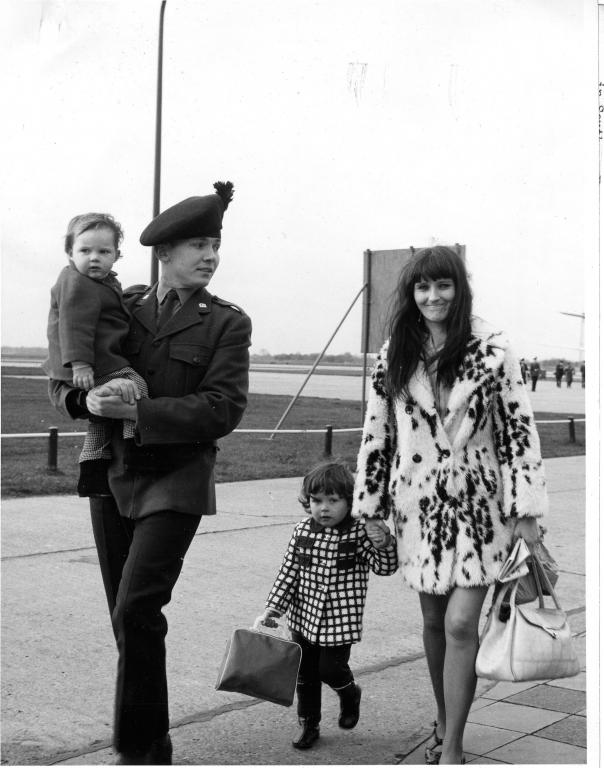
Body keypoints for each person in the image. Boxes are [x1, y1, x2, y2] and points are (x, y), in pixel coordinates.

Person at [48, 182, 252, 765]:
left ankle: (139, 753)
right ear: (164, 253)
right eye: (198, 246)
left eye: (214, 246)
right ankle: (150, 740)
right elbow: (62, 372)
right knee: (126, 617)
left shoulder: (226, 323)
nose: (210, 257)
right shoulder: (118, 303)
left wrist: (138, 412)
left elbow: (222, 408)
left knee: (137, 608)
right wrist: (84, 401)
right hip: (113, 476)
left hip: (177, 480)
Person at [352, 246, 548, 765]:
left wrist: (526, 508)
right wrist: (370, 508)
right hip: (419, 508)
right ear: (412, 294)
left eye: (443, 285)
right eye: (423, 287)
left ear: (460, 289)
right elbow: (377, 433)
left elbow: (518, 431)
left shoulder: (493, 350)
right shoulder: (396, 352)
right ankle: (443, 718)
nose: (433, 296)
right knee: (435, 623)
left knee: (462, 624)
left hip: (483, 509)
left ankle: (454, 747)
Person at [258, 460, 398, 751]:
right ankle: (308, 723)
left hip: (340, 619)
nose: (323, 508)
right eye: (316, 500)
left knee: (331, 670)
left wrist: (383, 542)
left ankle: (349, 693)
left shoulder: (359, 532)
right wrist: (274, 608)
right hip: (304, 618)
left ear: (349, 501)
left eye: (333, 501)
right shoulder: (302, 531)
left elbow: (384, 567)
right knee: (305, 674)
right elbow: (289, 572)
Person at [43, 212, 148, 497]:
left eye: (104, 252)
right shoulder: (77, 282)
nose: (94, 258)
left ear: (116, 255)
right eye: (85, 251)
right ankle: (134, 448)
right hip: (93, 364)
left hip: (95, 363)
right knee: (137, 387)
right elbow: (74, 325)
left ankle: (92, 467)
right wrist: (80, 364)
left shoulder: (101, 282)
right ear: (70, 252)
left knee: (101, 419)